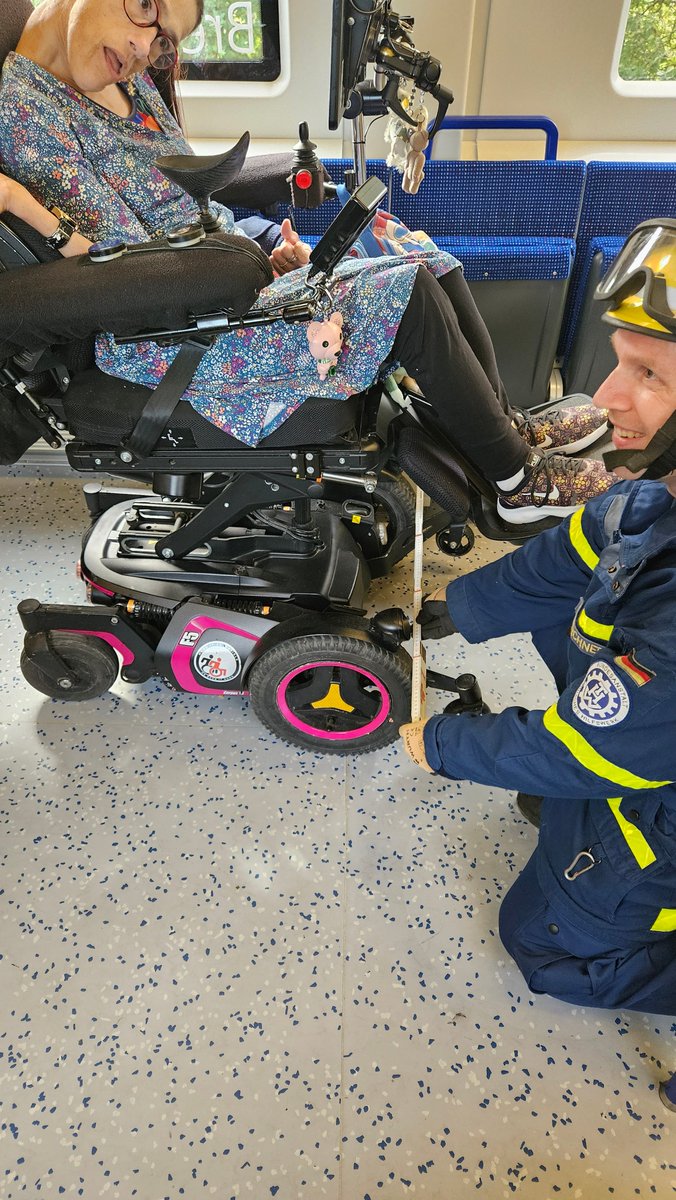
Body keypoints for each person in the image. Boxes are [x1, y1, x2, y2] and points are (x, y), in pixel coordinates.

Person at [0, 0, 610, 520]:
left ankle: (507, 429)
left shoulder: (127, 81)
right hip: (165, 328)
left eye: (161, 41)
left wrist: (266, 245)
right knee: (410, 297)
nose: (141, 45)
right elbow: (116, 262)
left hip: (212, 276)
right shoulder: (22, 107)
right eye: (145, 7)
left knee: (422, 255)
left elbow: (188, 196)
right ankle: (515, 483)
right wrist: (245, 263)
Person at [400, 219, 676, 1015]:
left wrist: (444, 744)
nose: (608, 398)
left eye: (649, 376)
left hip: (655, 795)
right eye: (620, 364)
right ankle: (580, 807)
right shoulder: (649, 496)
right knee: (565, 611)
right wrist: (457, 606)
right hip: (644, 741)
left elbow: (591, 746)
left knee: (539, 943)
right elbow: (563, 561)